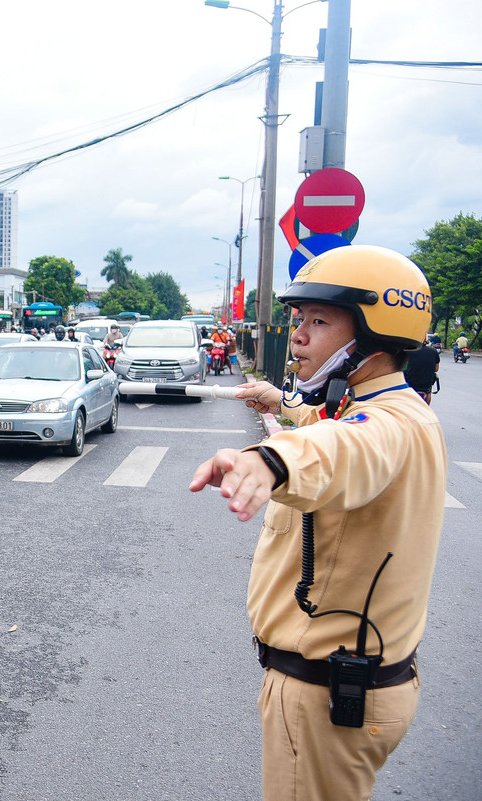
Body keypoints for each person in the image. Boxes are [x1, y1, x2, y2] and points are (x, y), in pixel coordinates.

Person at [187, 245, 446, 801]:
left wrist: (273, 459)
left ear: (375, 336)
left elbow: (345, 446)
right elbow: (334, 423)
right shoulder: (392, 406)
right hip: (352, 680)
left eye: (320, 321)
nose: (298, 335)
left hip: (324, 695)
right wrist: (280, 401)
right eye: (299, 319)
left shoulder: (386, 426)